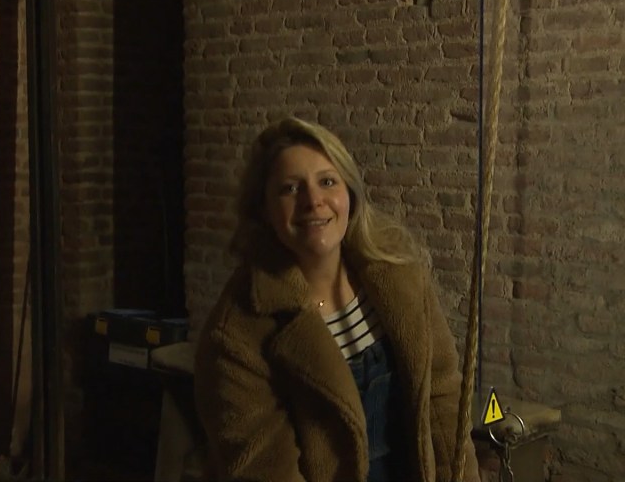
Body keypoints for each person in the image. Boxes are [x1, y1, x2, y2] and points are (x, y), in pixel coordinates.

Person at [193, 116, 481, 482]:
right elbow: (265, 469)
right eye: (290, 189)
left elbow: (441, 398)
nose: (313, 201)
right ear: (263, 210)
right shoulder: (236, 336)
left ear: (349, 194)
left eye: (327, 182)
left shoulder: (400, 277)